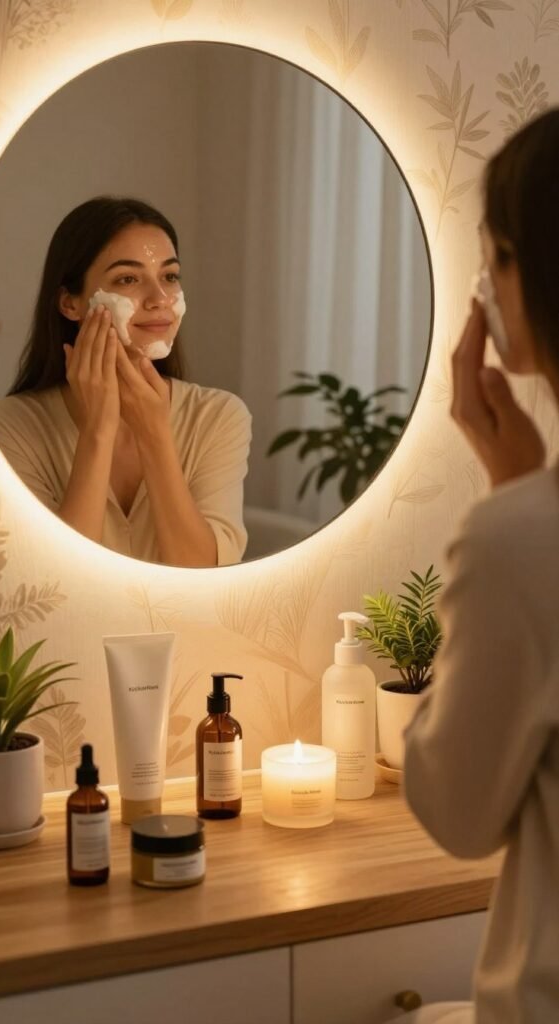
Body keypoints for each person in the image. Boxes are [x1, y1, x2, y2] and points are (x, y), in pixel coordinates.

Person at [386, 109, 559, 1023]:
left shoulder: (521, 539)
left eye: (494, 258)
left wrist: (508, 500)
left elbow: (458, 818)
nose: (485, 288)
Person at [0, 197, 251, 567]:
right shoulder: (11, 427)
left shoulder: (219, 416)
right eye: (128, 279)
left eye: (170, 276)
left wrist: (154, 432)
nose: (160, 299)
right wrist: (98, 430)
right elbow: (58, 581)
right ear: (70, 304)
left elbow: (202, 573)